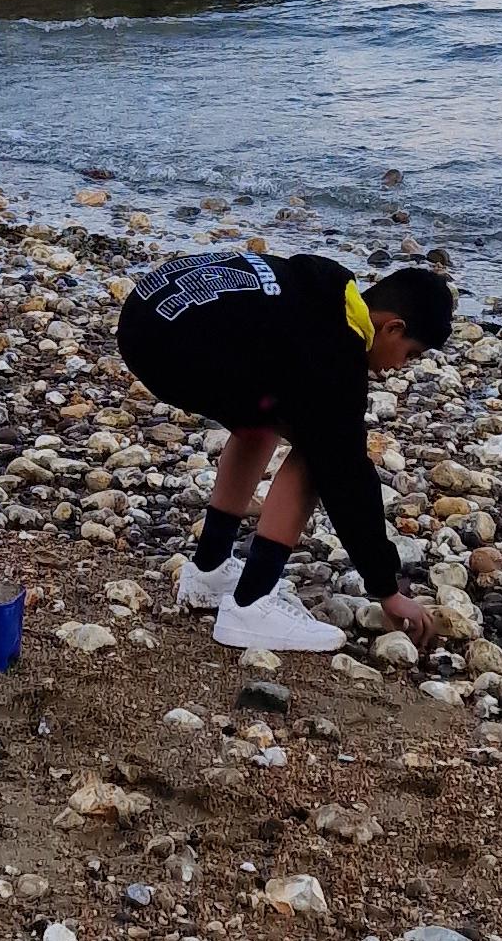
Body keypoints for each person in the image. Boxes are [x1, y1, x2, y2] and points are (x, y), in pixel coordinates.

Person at [116, 245, 454, 654]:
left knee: (267, 417)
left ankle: (209, 570)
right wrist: (387, 589)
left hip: (145, 313)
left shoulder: (329, 286)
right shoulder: (333, 355)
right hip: (169, 344)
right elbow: (347, 478)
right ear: (392, 328)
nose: (399, 366)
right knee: (320, 450)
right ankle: (251, 605)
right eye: (410, 354)